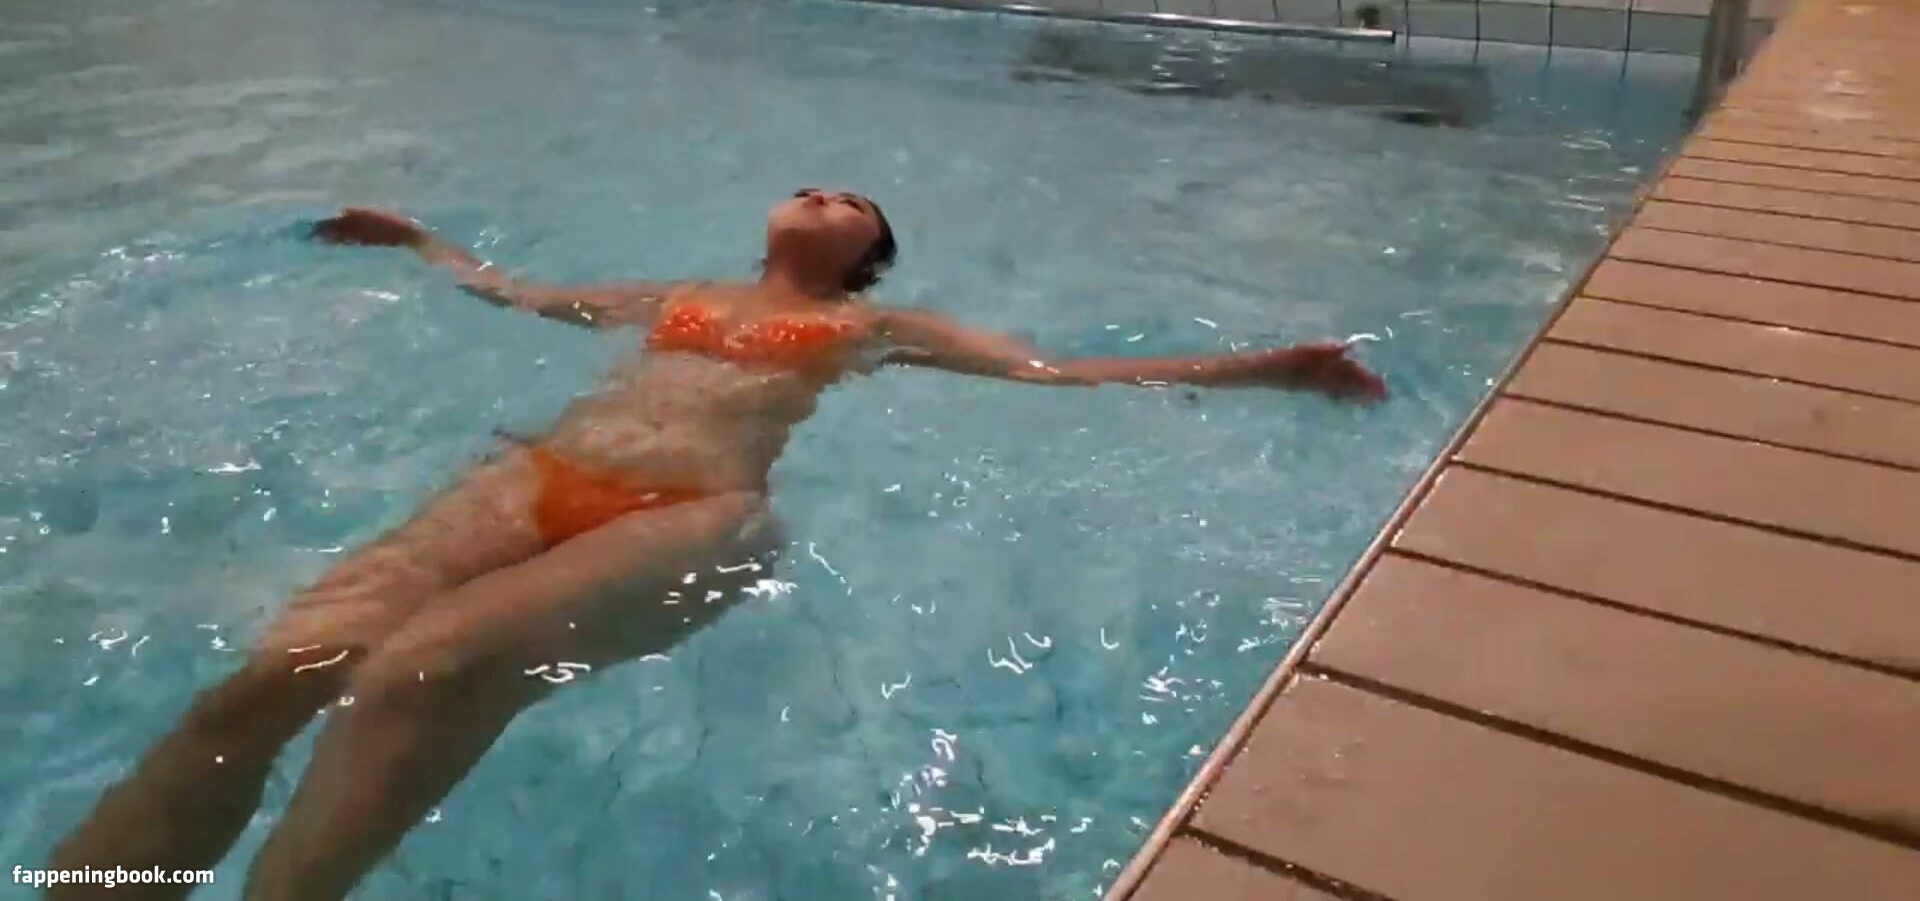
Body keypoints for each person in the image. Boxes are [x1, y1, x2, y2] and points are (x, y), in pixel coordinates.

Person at [49, 190, 1384, 900]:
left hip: (688, 513)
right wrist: (418, 242)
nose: (823, 194)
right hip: (534, 477)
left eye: (851, 199)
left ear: (868, 255)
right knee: (263, 683)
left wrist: (1261, 369)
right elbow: (516, 294)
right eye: (812, 184)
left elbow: (1053, 372)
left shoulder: (875, 326)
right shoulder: (668, 297)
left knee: (418, 670)